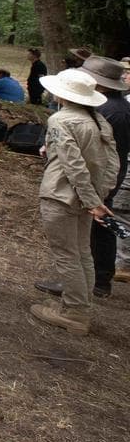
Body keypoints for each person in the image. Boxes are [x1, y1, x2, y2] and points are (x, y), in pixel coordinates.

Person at [25, 69, 118, 335]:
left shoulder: (61, 120)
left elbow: (73, 164)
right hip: (86, 196)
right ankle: (80, 306)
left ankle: (75, 313)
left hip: (62, 195)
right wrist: (98, 196)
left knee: (67, 255)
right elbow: (112, 163)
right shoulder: (99, 121)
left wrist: (92, 200)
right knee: (81, 252)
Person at [80, 56, 130, 298]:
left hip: (102, 176)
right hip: (107, 174)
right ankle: (96, 277)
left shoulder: (110, 110)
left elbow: (100, 149)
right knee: (99, 225)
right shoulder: (113, 106)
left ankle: (97, 279)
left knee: (98, 226)